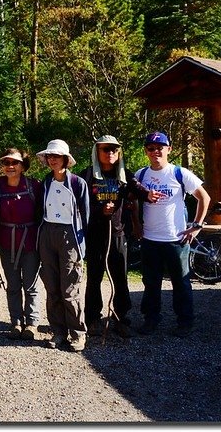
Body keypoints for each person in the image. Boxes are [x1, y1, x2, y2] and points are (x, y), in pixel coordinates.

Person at [134, 131, 211, 338]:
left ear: (169, 149)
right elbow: (132, 201)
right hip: (150, 239)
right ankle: (151, 319)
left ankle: (185, 322)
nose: (155, 151)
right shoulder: (140, 175)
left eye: (160, 147)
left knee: (181, 283)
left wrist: (197, 225)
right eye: (151, 148)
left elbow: (204, 197)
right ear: (146, 151)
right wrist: (136, 224)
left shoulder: (179, 173)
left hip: (176, 239)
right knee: (150, 283)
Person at [77, 135, 150, 338]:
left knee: (120, 278)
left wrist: (148, 197)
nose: (110, 153)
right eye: (105, 149)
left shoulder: (125, 175)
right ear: (97, 152)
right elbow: (81, 205)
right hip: (95, 235)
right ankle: (93, 319)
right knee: (94, 278)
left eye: (114, 149)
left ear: (119, 153)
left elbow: (137, 191)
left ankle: (121, 318)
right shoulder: (87, 176)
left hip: (118, 233)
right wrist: (101, 209)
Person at [35, 139, 90, 352]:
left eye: (56, 156)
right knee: (52, 286)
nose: (52, 160)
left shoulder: (77, 183)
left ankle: (77, 333)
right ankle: (58, 331)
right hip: (48, 232)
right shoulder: (46, 182)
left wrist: (82, 244)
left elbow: (85, 217)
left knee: (70, 287)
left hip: (70, 235)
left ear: (66, 159)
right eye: (49, 156)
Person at [0, 148, 44, 340]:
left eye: (14, 163)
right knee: (13, 284)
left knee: (30, 285)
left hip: (30, 242)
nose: (10, 166)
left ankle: (31, 323)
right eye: (6, 163)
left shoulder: (34, 186)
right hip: (7, 243)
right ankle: (15, 322)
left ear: (23, 166)